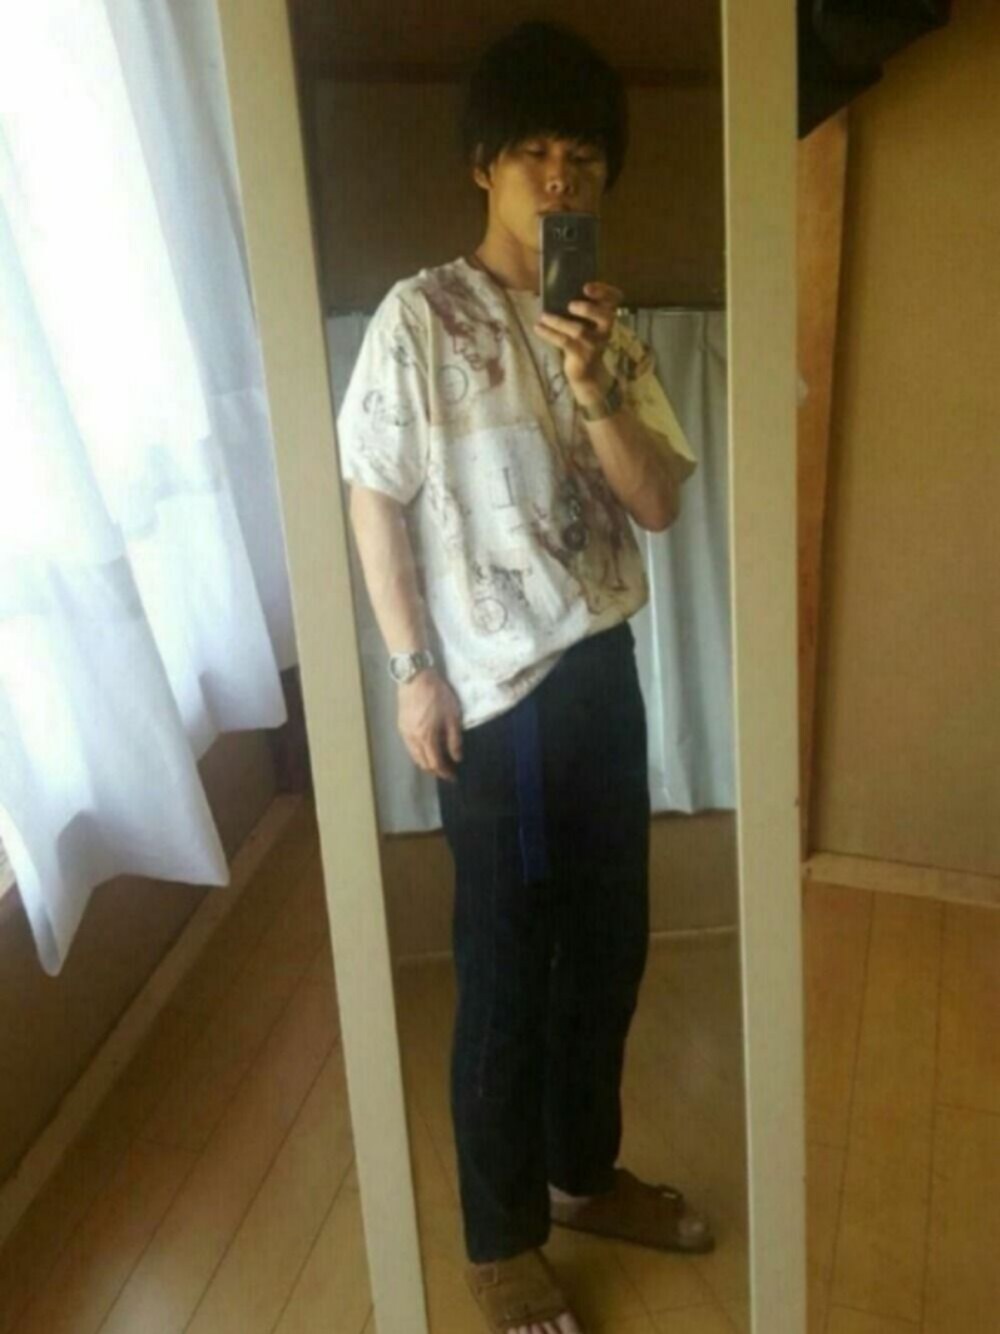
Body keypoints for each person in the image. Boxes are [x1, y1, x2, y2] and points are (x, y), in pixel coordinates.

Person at [336, 20, 714, 1334]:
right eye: (536, 151)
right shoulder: (417, 316)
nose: (563, 176)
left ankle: (579, 1173)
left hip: (603, 673)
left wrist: (591, 377)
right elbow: (373, 493)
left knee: (608, 952)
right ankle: (500, 1247)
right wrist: (411, 671)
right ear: (483, 166)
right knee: (506, 971)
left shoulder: (609, 327)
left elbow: (656, 503)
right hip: (495, 705)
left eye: (586, 157)